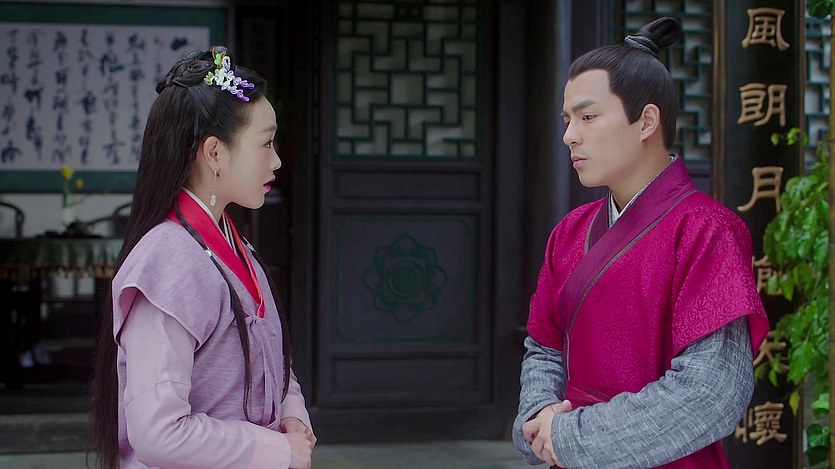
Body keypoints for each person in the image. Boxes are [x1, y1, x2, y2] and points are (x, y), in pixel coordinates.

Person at [512, 18, 769, 469]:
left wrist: (570, 435)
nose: (570, 135)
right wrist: (540, 416)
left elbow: (711, 392)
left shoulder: (709, 229)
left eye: (588, 117)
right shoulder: (570, 231)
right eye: (568, 120)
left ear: (646, 120)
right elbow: (545, 346)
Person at [88, 47, 315, 469]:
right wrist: (277, 449)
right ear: (214, 153)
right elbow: (159, 434)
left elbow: (272, 361)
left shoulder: (233, 245)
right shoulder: (169, 261)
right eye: (266, 143)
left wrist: (291, 415)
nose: (277, 160)